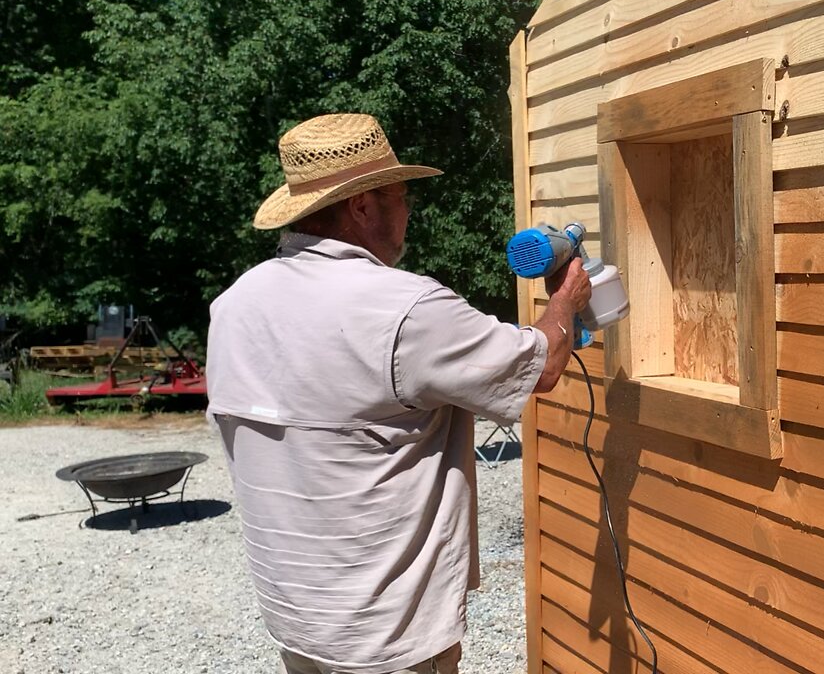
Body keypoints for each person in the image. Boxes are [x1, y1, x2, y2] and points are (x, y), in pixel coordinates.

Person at [205, 113, 590, 674]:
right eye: (402, 195)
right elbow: (542, 366)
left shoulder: (235, 304)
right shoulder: (405, 310)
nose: (409, 210)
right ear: (363, 207)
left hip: (298, 622)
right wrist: (565, 303)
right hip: (388, 638)